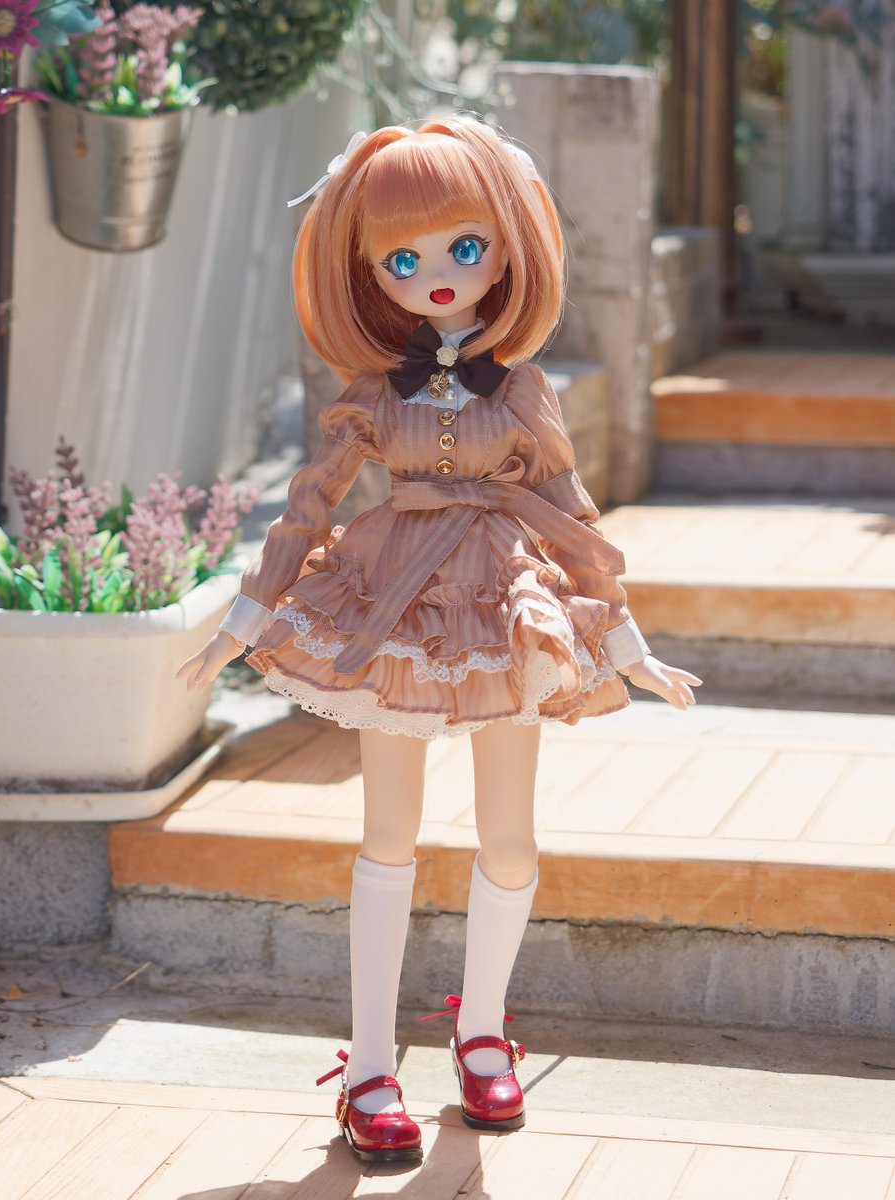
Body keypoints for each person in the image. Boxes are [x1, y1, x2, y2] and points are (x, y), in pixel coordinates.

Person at [177, 116, 701, 1166]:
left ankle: (483, 1032)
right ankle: (369, 1066)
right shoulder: (373, 396)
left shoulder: (525, 390)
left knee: (509, 838)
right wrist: (245, 615)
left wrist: (623, 638)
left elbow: (573, 512)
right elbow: (308, 508)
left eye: (464, 247)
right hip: (393, 601)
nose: (437, 275)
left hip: (505, 601)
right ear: (370, 274)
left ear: (508, 248)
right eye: (402, 260)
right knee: (389, 835)